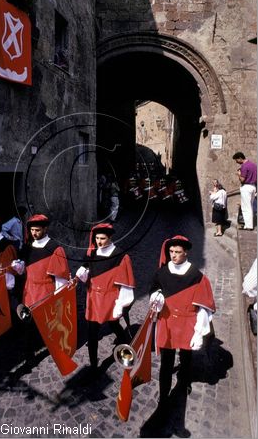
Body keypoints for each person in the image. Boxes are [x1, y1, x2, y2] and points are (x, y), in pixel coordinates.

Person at [149, 235, 216, 411]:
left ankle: (184, 382)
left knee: (186, 358)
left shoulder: (197, 276)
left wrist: (199, 331)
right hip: (167, 322)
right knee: (166, 362)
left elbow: (203, 307)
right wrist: (156, 296)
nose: (173, 255)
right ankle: (163, 398)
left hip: (187, 324)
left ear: (185, 252)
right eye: (171, 251)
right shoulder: (162, 272)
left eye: (178, 252)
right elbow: (154, 289)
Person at [76, 223, 135, 376]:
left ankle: (126, 349)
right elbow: (87, 270)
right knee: (92, 332)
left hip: (110, 298)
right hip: (93, 298)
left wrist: (120, 305)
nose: (99, 242)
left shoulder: (120, 256)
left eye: (102, 238)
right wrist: (83, 272)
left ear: (110, 238)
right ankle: (94, 366)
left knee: (114, 325)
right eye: (96, 238)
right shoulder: (92, 253)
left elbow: (126, 284)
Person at [14, 214, 71, 365]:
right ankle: (29, 355)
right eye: (32, 230)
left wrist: (59, 295)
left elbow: (60, 276)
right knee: (28, 324)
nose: (34, 233)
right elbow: (23, 270)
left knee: (47, 323)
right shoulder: (27, 247)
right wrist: (18, 268)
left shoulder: (54, 248)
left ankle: (54, 347)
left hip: (45, 290)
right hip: (30, 289)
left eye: (37, 230)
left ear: (45, 229)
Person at [232, 152, 257, 230]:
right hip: (253, 187)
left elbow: (242, 180)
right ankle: (247, 225)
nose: (236, 162)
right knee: (250, 206)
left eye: (236, 160)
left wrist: (239, 174)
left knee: (246, 207)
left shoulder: (244, 166)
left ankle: (248, 226)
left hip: (246, 187)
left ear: (240, 158)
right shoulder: (254, 165)